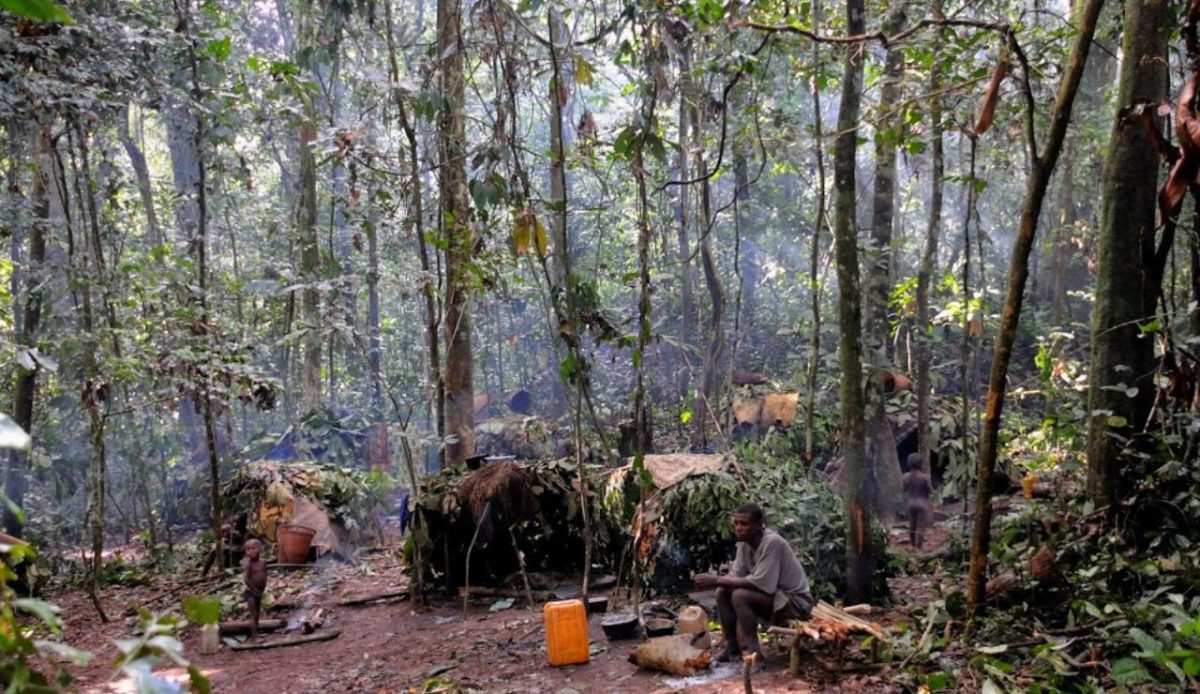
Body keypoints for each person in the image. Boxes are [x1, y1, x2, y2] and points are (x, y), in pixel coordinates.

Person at [693, 504, 814, 663]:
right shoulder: (744, 544)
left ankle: (755, 654)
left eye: (744, 524)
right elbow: (736, 574)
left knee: (740, 595)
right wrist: (715, 582)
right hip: (776, 597)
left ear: (758, 525)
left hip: (796, 602)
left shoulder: (772, 543)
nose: (738, 528)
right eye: (736, 523)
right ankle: (731, 649)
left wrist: (715, 580)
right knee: (722, 591)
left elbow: (761, 583)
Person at [903, 453, 934, 549]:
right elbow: (930, 490)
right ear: (921, 464)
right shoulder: (925, 477)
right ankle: (919, 547)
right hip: (922, 504)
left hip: (911, 503)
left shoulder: (905, 476)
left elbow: (904, 489)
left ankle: (912, 545)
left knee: (912, 525)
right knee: (921, 526)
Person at [242, 538, 268, 639]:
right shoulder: (249, 564)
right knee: (253, 615)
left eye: (253, 548)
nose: (251, 551)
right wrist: (254, 590)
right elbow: (246, 579)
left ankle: (256, 632)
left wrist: (262, 589)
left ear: (260, 549)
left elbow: (265, 574)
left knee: (257, 614)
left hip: (259, 592)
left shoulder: (263, 562)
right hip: (251, 593)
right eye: (248, 549)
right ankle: (254, 637)